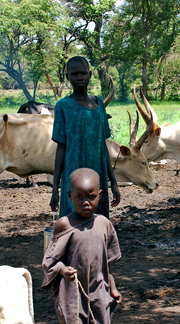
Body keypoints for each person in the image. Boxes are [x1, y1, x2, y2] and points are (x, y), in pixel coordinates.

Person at [42, 168, 122, 324]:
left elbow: (107, 263)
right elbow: (50, 259)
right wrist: (62, 270)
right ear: (69, 196)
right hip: (73, 297)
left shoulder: (104, 224)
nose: (85, 202)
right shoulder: (65, 224)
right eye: (79, 197)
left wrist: (113, 287)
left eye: (91, 196)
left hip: (99, 292)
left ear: (99, 196)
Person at [49, 56, 120, 218]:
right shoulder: (63, 106)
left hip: (98, 173)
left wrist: (113, 182)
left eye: (83, 73)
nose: (79, 77)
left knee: (98, 222)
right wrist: (55, 189)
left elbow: (103, 146)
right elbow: (61, 149)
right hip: (72, 175)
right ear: (68, 78)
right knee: (71, 222)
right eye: (74, 74)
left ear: (89, 74)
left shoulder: (99, 104)